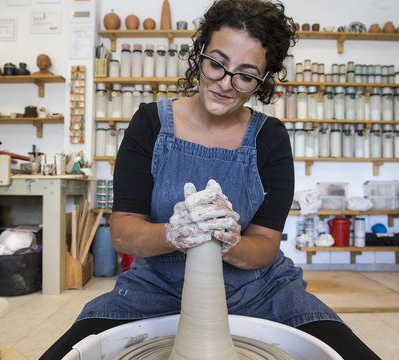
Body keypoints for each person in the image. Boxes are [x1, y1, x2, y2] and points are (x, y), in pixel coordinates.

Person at [41, 0, 380, 358]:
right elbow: (124, 231)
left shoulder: (270, 138)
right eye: (216, 64)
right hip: (157, 285)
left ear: (262, 82)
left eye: (246, 75)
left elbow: (265, 244)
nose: (225, 83)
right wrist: (178, 232)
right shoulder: (149, 124)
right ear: (200, 53)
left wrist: (228, 241)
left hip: (260, 288)